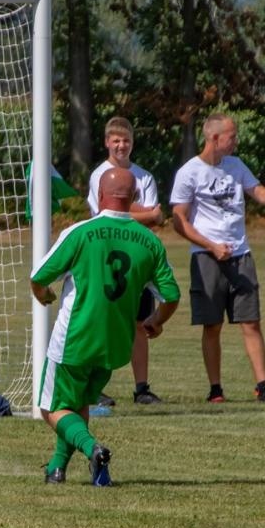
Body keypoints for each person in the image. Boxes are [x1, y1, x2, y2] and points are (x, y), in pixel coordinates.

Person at [31, 167, 180, 485]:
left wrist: (44, 295)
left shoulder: (81, 232)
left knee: (51, 408)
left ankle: (91, 448)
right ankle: (57, 469)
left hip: (75, 337)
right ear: (136, 198)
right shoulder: (149, 241)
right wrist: (157, 320)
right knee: (78, 403)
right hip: (115, 343)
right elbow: (171, 295)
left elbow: (39, 277)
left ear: (99, 196)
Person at [168, 113, 265, 403]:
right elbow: (178, 221)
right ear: (214, 138)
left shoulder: (236, 166)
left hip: (240, 254)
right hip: (207, 257)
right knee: (212, 324)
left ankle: (263, 386)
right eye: (232, 136)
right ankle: (215, 389)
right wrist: (211, 246)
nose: (236, 141)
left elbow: (262, 197)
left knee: (251, 322)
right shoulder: (189, 172)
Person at [86, 116, 166, 405]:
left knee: (139, 323)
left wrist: (139, 213)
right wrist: (145, 213)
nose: (122, 145)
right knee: (104, 322)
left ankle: (142, 388)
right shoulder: (100, 175)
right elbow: (108, 213)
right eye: (116, 140)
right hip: (109, 256)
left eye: (126, 140)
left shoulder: (144, 177)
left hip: (138, 257)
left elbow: (155, 218)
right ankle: (93, 385)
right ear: (107, 142)